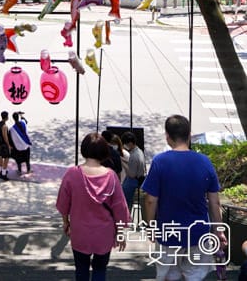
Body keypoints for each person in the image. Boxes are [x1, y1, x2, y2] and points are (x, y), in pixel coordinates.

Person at [142, 114, 226, 281]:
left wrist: (151, 226)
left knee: (169, 275)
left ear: (167, 136)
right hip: (198, 233)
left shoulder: (160, 162)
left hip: (168, 232)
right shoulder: (205, 162)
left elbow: (151, 200)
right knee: (194, 276)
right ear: (189, 135)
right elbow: (214, 202)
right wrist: (219, 230)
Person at [56, 131, 129, 281]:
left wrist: (66, 222)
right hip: (104, 234)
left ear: (84, 149)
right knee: (100, 270)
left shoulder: (72, 174)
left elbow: (63, 203)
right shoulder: (111, 176)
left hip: (80, 232)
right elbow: (120, 208)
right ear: (104, 151)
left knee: (81, 270)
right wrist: (120, 233)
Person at [121, 131, 145, 209]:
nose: (124, 146)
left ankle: (126, 209)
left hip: (134, 180)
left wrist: (122, 162)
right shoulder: (139, 151)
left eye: (125, 144)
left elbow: (131, 175)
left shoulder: (134, 156)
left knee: (122, 194)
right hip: (139, 177)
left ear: (130, 143)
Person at [0, 110, 11, 180]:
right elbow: (5, 137)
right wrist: (8, 145)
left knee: (0, 156)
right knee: (6, 158)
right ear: (6, 117)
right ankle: (4, 174)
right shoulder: (4, 126)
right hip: (3, 145)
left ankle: (1, 170)